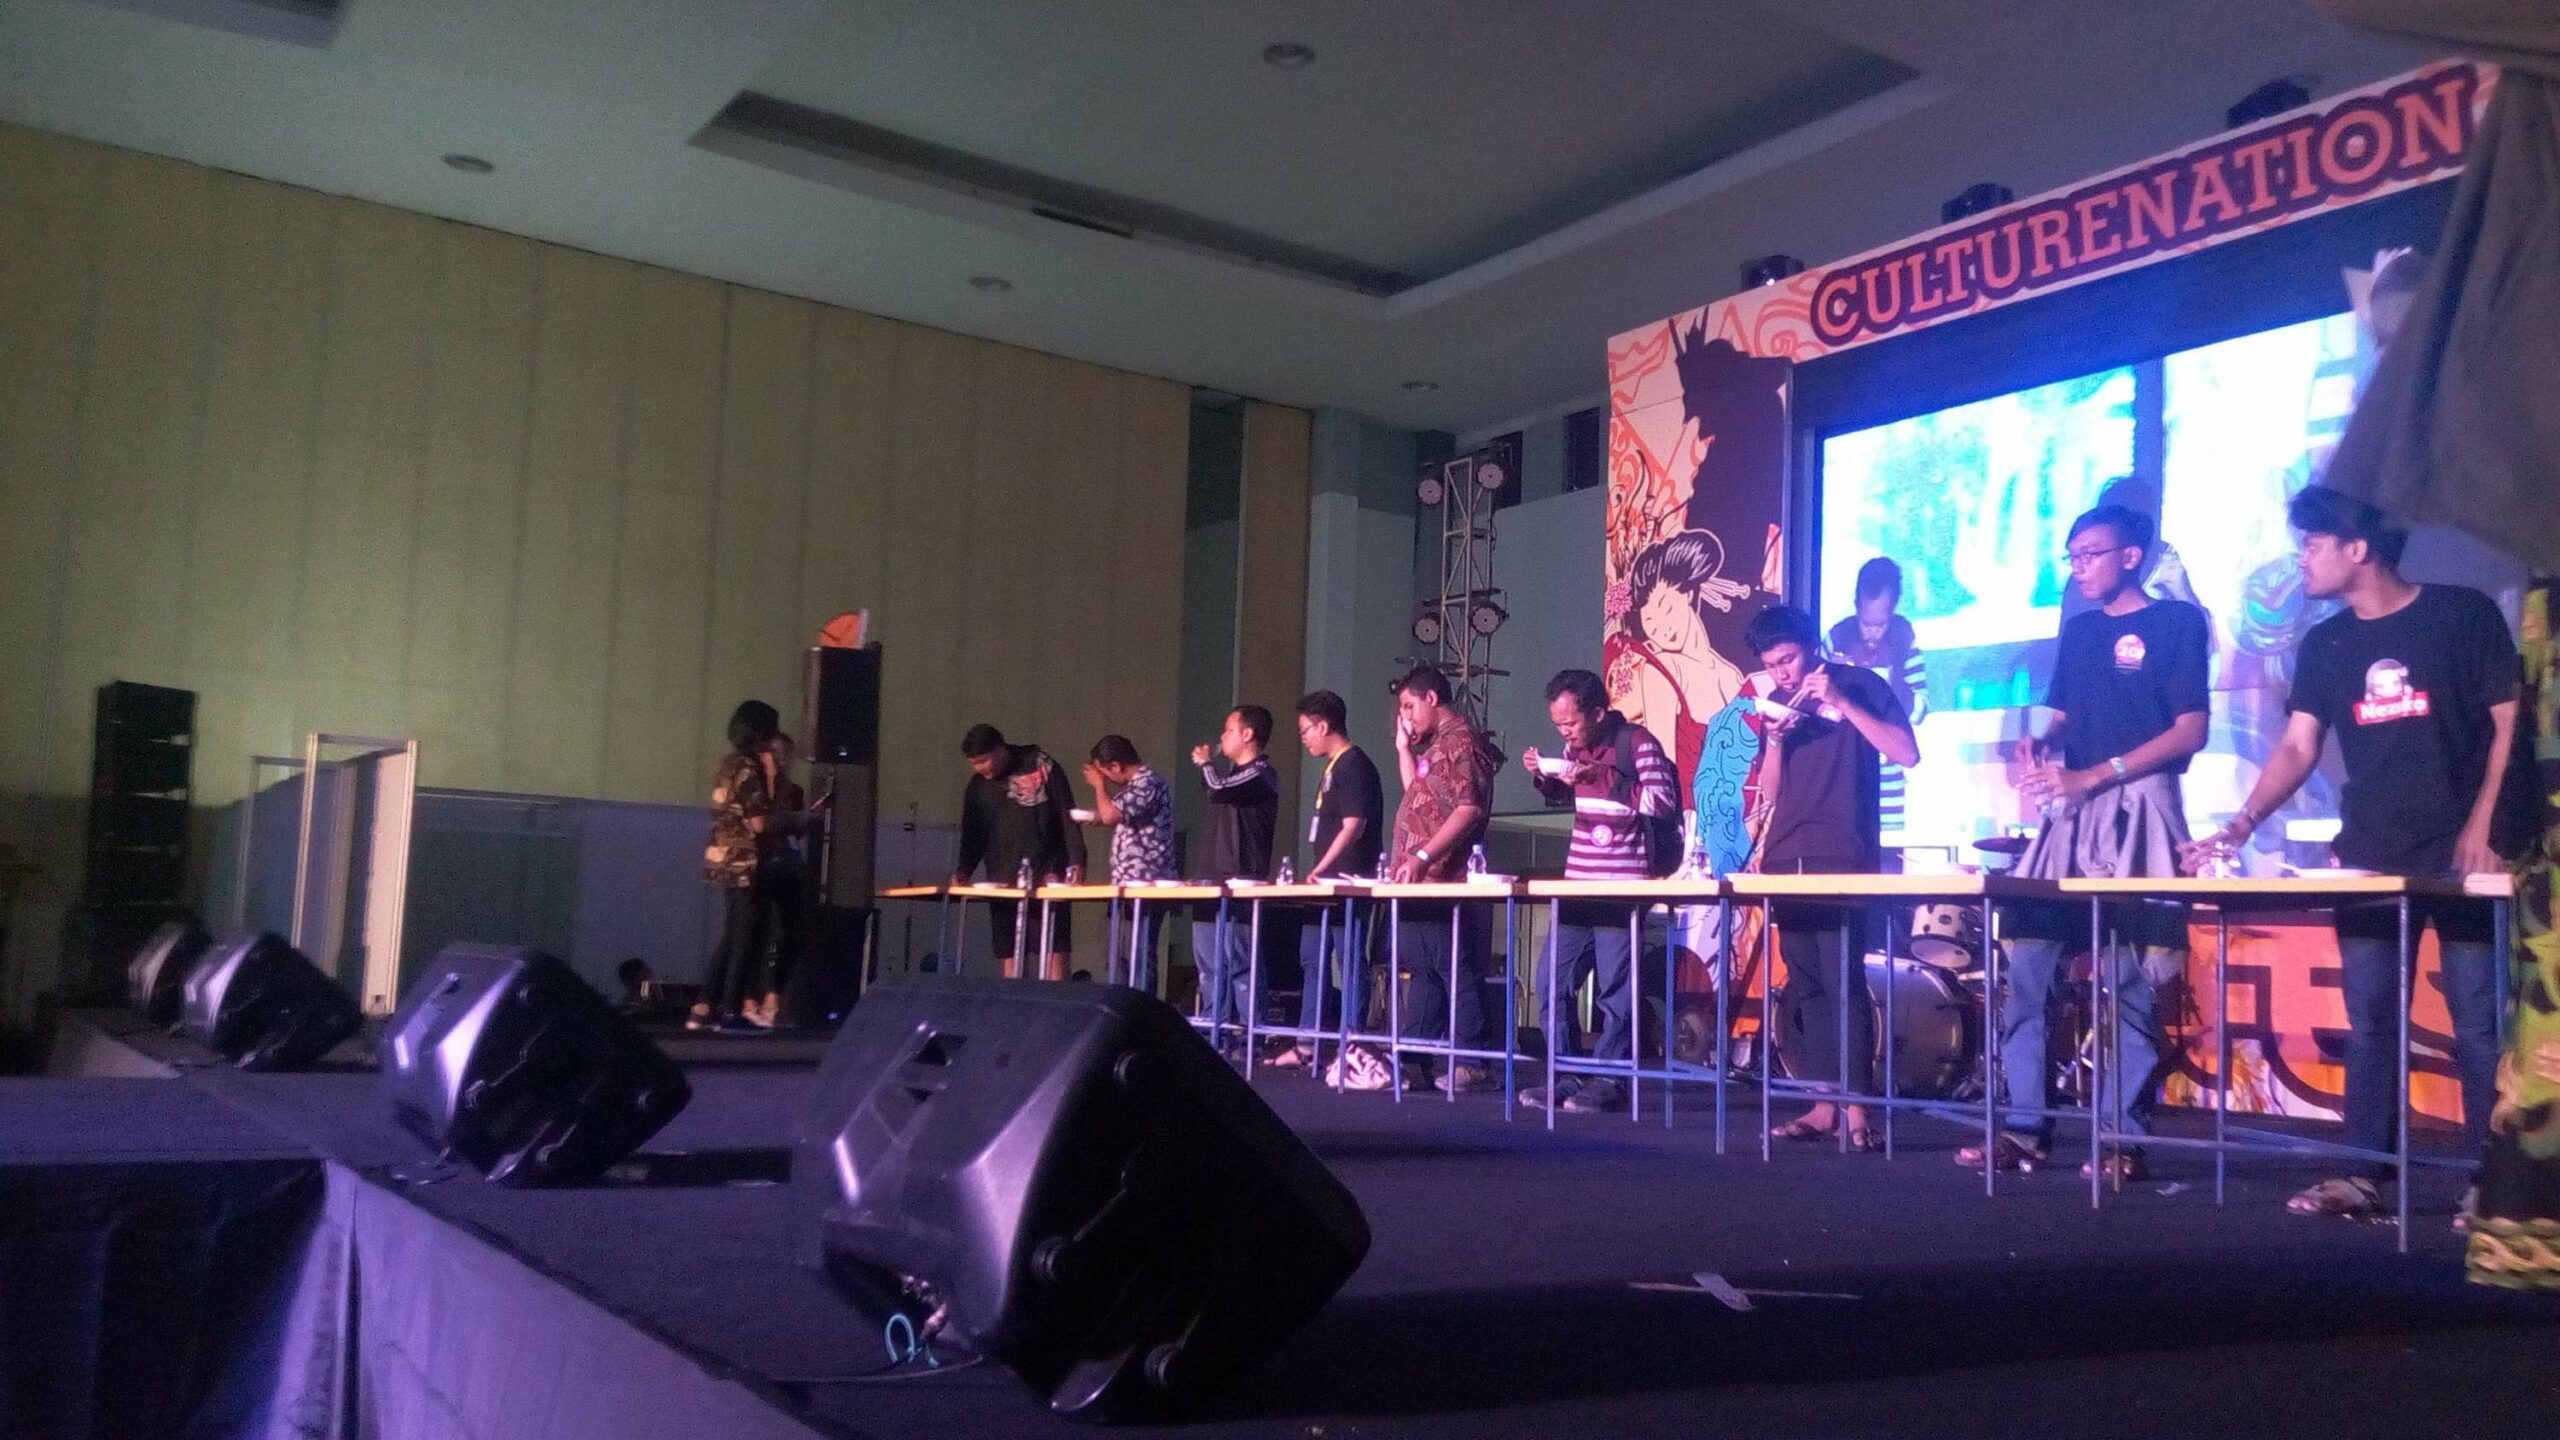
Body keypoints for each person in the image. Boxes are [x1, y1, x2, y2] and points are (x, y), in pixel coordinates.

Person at [2182, 486, 2519, 1222]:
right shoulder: (2326, 643)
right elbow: (2298, 745)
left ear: (2357, 548)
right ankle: (2364, 1175)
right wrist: (2240, 824)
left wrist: (2486, 823)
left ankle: (2490, 1181)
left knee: (2478, 1022)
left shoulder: (2461, 614)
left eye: (2311, 545)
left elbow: (2508, 720)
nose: (2300, 559)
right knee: (2370, 1020)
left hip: (2462, 853)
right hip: (2369, 852)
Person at [1963, 505, 2209, 1179]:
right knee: (2027, 970)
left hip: (2139, 810)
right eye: (2071, 556)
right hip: (2070, 814)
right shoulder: (2078, 630)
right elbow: (2064, 711)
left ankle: (2122, 1141)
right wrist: (2039, 739)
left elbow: (2190, 730)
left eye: (2091, 554)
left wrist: (2099, 773)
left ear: (2131, 556)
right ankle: (2024, 1131)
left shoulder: (2177, 622)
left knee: (2128, 984)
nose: (2079, 568)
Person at [1750, 606, 1917, 1150]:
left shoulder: (1860, 684)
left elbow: (1906, 753)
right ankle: (1824, 1105)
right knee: (1807, 986)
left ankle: (1858, 1111)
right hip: (1786, 855)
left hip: (1843, 852)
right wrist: (1776, 738)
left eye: (1789, 659)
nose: (1783, 673)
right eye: (1772, 665)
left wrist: (1841, 703)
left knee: (1843, 980)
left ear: (1811, 646)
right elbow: (1770, 794)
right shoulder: (1780, 702)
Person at [1518, 668, 1679, 1113]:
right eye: (1558, 724)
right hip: (1577, 885)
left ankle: (1611, 1078)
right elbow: (1574, 794)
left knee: (1616, 990)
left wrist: (1604, 776)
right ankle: (1565, 1073)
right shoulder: (1574, 749)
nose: (1565, 732)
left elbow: (1663, 802)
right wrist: (1546, 776)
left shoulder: (1636, 743)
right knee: (1552, 983)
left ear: (1597, 712)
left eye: (1571, 722)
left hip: (1622, 887)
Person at [1368, 666, 1497, 1094]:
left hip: (1445, 878)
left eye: (1409, 706)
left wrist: (1423, 857)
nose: (1404, 716)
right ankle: (1414, 1059)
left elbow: (1469, 808)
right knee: (1424, 970)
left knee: (1453, 969)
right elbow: (1417, 796)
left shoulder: (1462, 741)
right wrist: (1403, 749)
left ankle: (1473, 1062)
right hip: (1420, 880)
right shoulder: (1437, 746)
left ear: (1432, 699)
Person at [1278, 690, 1385, 1076]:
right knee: (1312, 959)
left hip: (1347, 881)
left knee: (1350, 960)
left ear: (1323, 726)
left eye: (1306, 730)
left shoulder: (1355, 765)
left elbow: (1354, 825)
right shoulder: (1332, 766)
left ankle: (1352, 1043)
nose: (1304, 738)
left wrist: (1322, 867)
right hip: (1323, 884)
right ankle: (1307, 1043)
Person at [1617, 529, 1750, 795]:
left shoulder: (1730, 674)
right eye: (1650, 623)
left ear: (1688, 594)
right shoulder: (1662, 670)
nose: (1662, 628)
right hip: (1689, 807)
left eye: (1666, 608)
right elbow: (1662, 762)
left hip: (1741, 804)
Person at [951, 723, 1085, 980]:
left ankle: (1057, 1001)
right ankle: (1014, 1002)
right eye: (973, 763)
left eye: (983, 761)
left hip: (1048, 874)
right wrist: (963, 870)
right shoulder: (978, 786)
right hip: (1002, 879)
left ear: (1000, 749)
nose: (979, 768)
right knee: (1010, 950)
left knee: (1054, 948)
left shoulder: (1041, 766)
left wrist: (1077, 859)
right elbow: (972, 836)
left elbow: (1067, 816)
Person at [1191, 706, 1279, 1046]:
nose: (1222, 737)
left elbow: (1219, 788)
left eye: (1228, 730)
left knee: (1242, 964)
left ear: (1248, 734)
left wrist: (1206, 763)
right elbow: (1215, 786)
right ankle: (1213, 1035)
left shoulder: (1261, 774)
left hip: (1241, 880)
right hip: (1210, 877)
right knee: (1209, 967)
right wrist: (1208, 768)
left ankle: (1251, 1036)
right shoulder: (1231, 776)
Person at [697, 700, 786, 1032]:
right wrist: (772, 779)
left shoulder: (728, 764)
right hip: (744, 862)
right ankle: (730, 1010)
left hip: (722, 859)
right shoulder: (749, 768)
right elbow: (760, 823)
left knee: (733, 934)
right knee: (745, 939)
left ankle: (703, 1007)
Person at [1827, 557, 1928, 838]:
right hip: (1844, 776)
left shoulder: (1903, 637)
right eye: (1866, 623)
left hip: (1889, 782)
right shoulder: (1838, 637)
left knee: (1889, 851)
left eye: (1880, 625)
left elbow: (1921, 710)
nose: (1872, 634)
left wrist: (1892, 680)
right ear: (1856, 604)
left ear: (1893, 609)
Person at [1081, 735, 1173, 994]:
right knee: (1117, 958)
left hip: (1145, 887)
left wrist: (1099, 786)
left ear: (1115, 766)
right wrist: (1097, 816)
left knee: (1138, 958)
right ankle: (1119, 1008)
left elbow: (1112, 814)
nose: (1104, 778)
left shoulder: (1148, 783)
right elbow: (1114, 814)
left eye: (1104, 772)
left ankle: (1141, 1012)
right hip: (1124, 889)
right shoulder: (1133, 788)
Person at [743, 733, 816, 1030]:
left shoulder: (794, 790)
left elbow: (795, 832)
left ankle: (774, 997)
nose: (781, 759)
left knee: (788, 933)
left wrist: (809, 818)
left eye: (786, 753)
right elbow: (757, 826)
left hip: (786, 864)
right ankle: (751, 999)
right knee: (756, 933)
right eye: (776, 752)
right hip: (758, 866)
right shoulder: (754, 788)